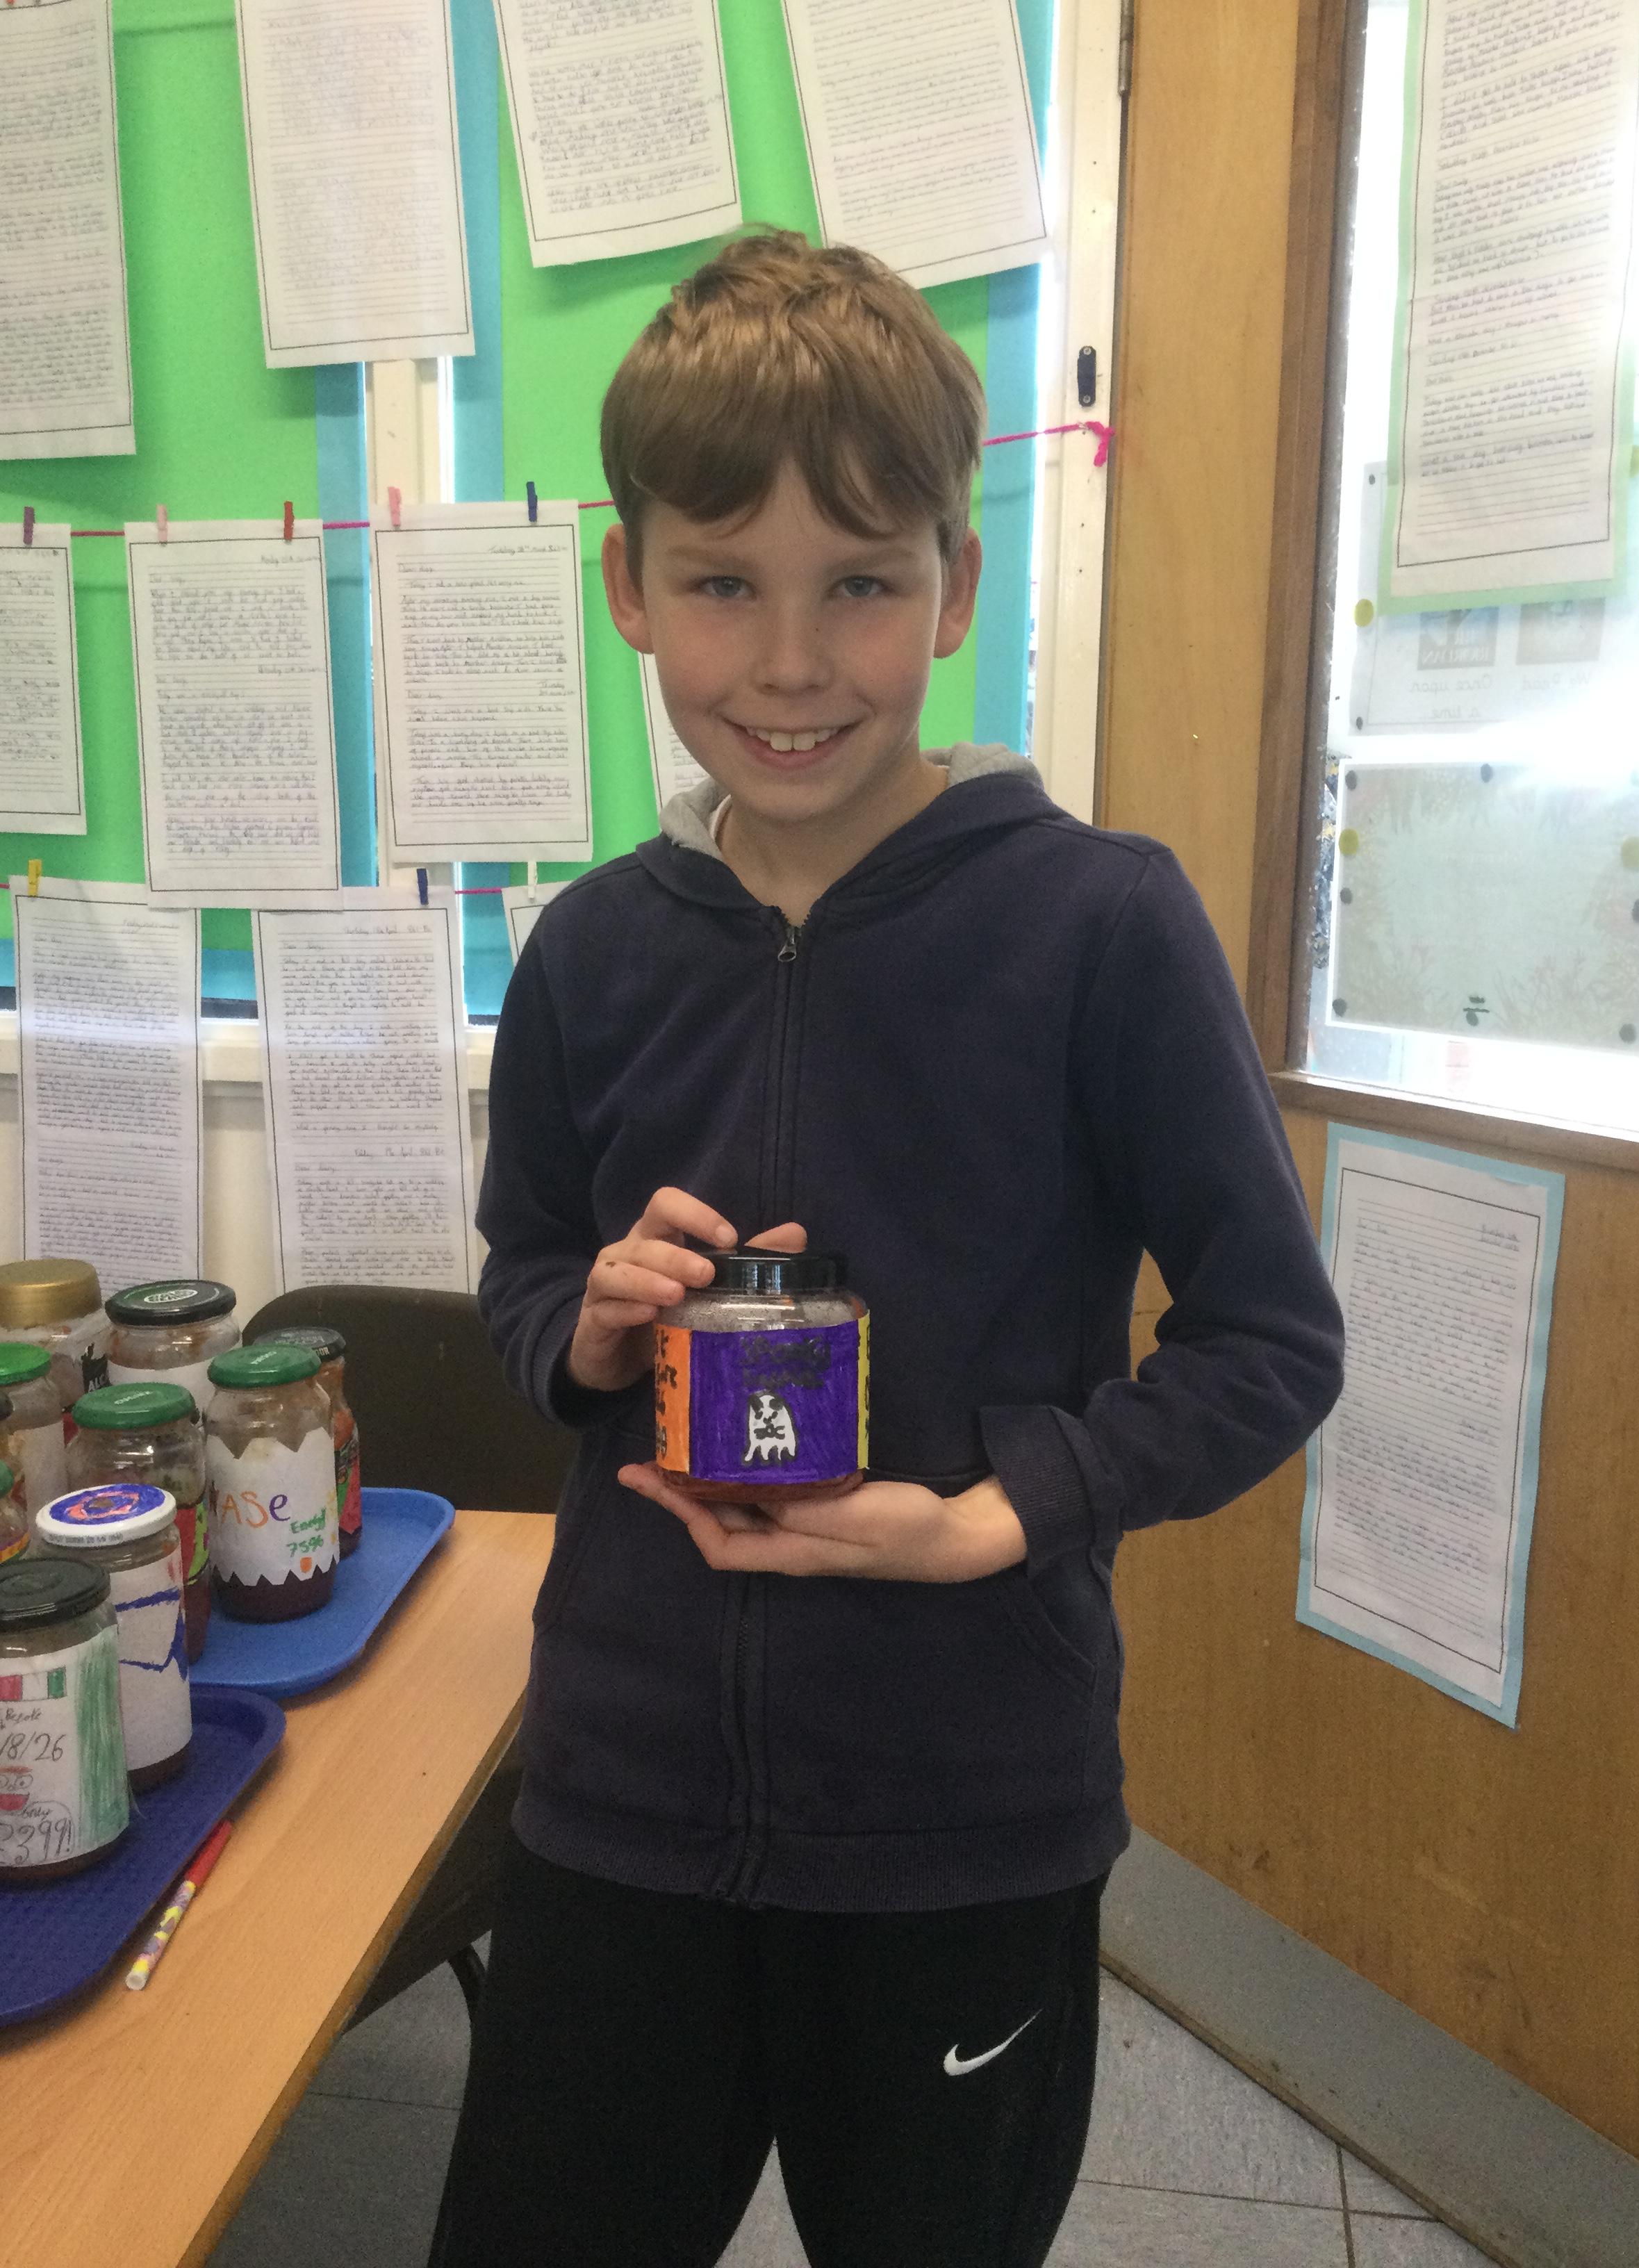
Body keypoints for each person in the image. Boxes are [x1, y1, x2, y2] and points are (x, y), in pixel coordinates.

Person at [434, 230, 1344, 2268]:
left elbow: (1270, 1343)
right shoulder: (587, 953)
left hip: (966, 1818)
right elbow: (518, 1280)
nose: (788, 663)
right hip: (622, 1796)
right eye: (721, 584)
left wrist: (995, 1518)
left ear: (955, 582)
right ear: (627, 587)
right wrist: (588, 1329)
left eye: (857, 583)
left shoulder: (1102, 926)